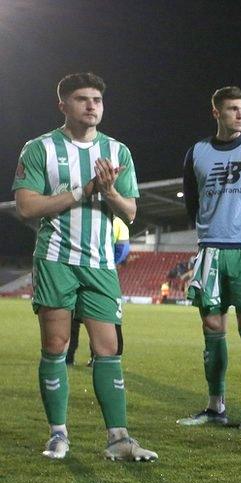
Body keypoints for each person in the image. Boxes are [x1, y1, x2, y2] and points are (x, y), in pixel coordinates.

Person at [13, 72, 156, 461]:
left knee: (108, 349)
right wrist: (84, 191)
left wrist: (109, 191)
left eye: (97, 99)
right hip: (57, 259)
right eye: (82, 99)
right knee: (55, 346)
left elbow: (130, 211)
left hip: (99, 264)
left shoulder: (118, 151)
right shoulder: (40, 148)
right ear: (63, 105)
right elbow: (27, 206)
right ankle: (58, 435)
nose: (92, 105)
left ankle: (119, 439)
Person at [177, 86, 241, 431]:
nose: (240, 114)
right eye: (233, 109)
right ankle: (215, 406)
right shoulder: (197, 152)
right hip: (210, 248)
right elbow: (191, 201)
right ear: (216, 113)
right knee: (211, 327)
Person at [66, 216, 131, 366]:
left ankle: (68, 357)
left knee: (72, 318)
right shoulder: (119, 223)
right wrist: (109, 262)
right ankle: (99, 358)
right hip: (103, 274)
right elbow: (123, 249)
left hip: (76, 270)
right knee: (102, 317)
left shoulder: (81, 216)